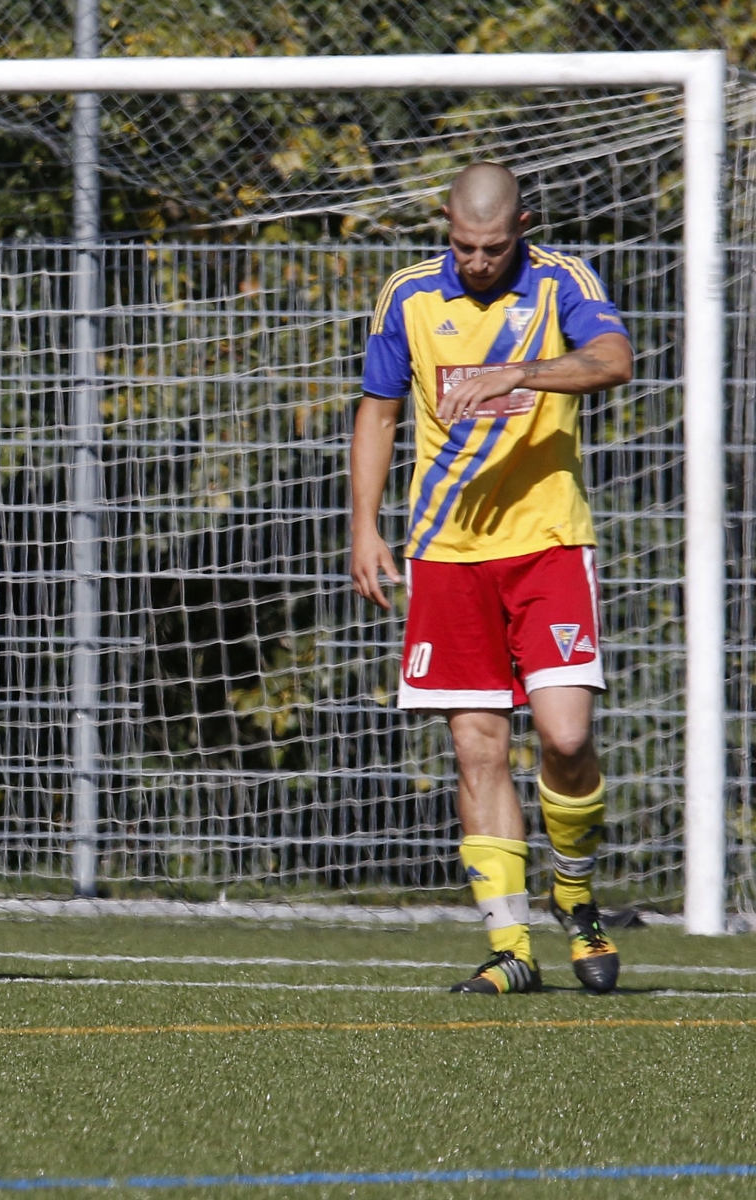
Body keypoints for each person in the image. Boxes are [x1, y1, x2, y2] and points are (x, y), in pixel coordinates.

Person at [349, 162, 633, 995]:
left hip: (547, 545)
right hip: (446, 555)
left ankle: (574, 897)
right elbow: (378, 408)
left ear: (523, 225)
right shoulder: (408, 295)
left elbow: (614, 358)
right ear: (447, 225)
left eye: (493, 246)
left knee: (567, 738)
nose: (477, 260)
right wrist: (363, 527)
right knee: (477, 751)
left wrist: (522, 372)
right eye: (464, 245)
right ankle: (511, 947)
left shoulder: (560, 283)